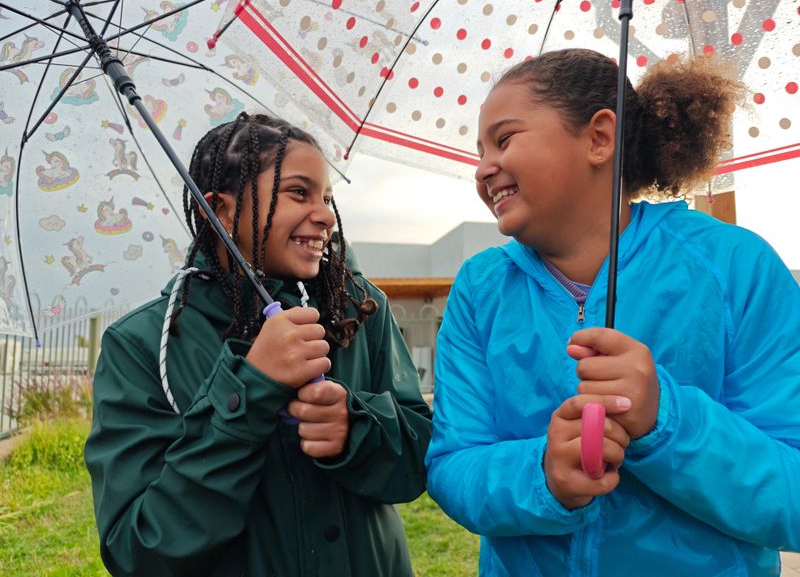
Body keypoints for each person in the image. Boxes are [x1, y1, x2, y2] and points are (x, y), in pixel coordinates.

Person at [425, 48, 800, 575]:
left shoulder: (737, 266)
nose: (483, 168)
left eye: (504, 139)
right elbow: (451, 466)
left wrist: (665, 420)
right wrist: (543, 474)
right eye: (480, 149)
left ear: (600, 138)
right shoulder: (480, 287)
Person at [85, 113, 432, 576]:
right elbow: (140, 548)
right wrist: (250, 388)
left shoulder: (360, 308)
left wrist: (356, 430)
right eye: (298, 192)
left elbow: (422, 456)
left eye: (327, 197)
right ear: (220, 209)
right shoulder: (144, 344)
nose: (327, 214)